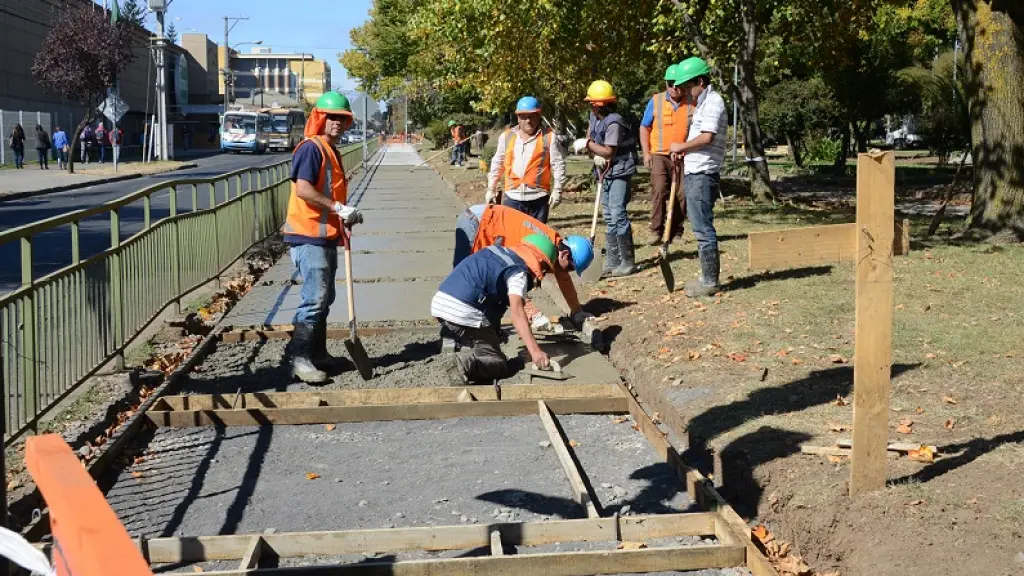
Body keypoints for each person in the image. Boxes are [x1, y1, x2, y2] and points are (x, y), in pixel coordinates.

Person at [283, 91, 365, 383]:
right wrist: (337, 208)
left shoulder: (332, 151)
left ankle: (317, 354)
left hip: (325, 236)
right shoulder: (311, 149)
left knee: (324, 298)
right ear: (319, 117)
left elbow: (330, 193)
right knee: (315, 299)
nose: (337, 123)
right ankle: (300, 359)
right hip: (308, 236)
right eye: (332, 117)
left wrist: (343, 217)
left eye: (342, 119)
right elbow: (303, 189)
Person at [431, 233, 559, 384]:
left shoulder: (496, 251)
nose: (542, 274)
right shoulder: (518, 273)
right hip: (463, 310)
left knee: (487, 335)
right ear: (539, 261)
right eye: (544, 269)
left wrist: (495, 331)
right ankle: (462, 364)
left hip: (441, 303)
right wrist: (535, 352)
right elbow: (517, 313)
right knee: (498, 364)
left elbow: (493, 303)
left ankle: (457, 339)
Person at [453, 203, 595, 332]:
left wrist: (577, 311)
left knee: (489, 290)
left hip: (487, 220)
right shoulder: (538, 250)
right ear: (564, 254)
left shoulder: (555, 246)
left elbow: (564, 279)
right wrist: (534, 314)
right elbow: (512, 281)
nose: (569, 273)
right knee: (464, 280)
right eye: (571, 268)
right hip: (477, 222)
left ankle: (489, 331)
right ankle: (455, 332)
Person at [669, 57, 729, 297]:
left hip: (704, 173)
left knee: (703, 228)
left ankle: (710, 281)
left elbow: (707, 138)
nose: (684, 91)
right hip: (695, 171)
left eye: (687, 86)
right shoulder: (701, 104)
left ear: (701, 81)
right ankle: (706, 277)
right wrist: (683, 153)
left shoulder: (714, 102)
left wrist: (680, 147)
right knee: (699, 226)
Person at [573, 80, 639, 277]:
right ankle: (613, 260)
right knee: (609, 215)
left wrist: (588, 145)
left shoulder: (615, 121)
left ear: (600, 105)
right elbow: (591, 139)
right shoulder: (594, 118)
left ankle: (628, 262)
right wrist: (592, 151)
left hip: (620, 170)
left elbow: (609, 151)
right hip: (605, 171)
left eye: (592, 103)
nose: (590, 106)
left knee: (618, 212)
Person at [485, 96, 566, 223]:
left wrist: (558, 190)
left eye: (532, 116)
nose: (528, 121)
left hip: (538, 199)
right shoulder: (506, 137)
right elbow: (497, 163)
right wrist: (491, 189)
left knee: (535, 240)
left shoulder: (549, 137)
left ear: (539, 115)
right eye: (524, 117)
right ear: (518, 117)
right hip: (512, 198)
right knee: (511, 239)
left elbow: (558, 164)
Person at [640, 63, 691, 246]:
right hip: (659, 155)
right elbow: (644, 127)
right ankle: (656, 231)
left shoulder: (692, 102)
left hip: (684, 156)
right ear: (666, 84)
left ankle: (676, 232)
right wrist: (646, 154)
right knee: (660, 190)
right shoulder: (656, 101)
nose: (674, 88)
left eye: (678, 84)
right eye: (670, 84)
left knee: (682, 194)